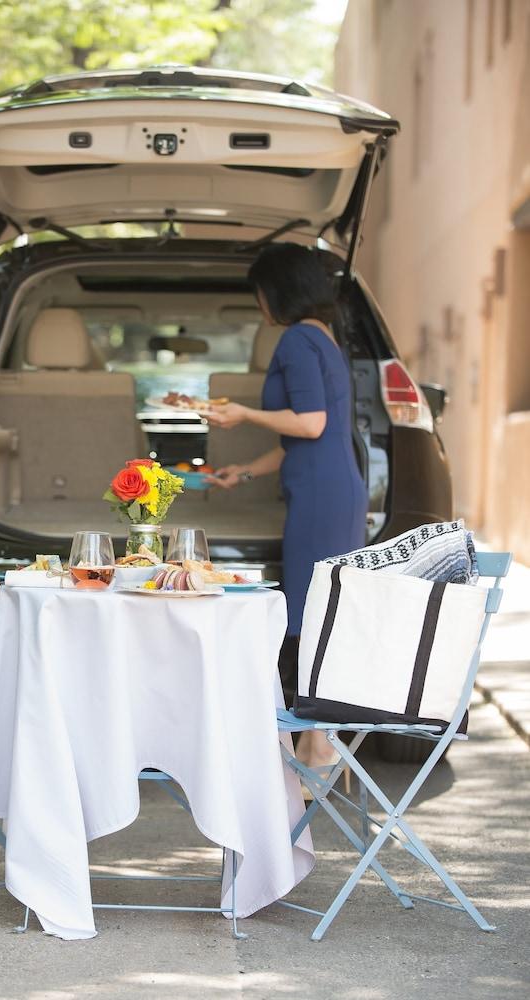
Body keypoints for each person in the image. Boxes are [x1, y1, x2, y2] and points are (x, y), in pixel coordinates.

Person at [206, 243, 367, 771]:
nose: (259, 303)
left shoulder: (297, 339)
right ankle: (319, 741)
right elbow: (305, 437)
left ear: (278, 290)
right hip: (330, 486)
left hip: (321, 497)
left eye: (261, 292)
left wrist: (242, 413)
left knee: (311, 616)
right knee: (320, 614)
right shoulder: (323, 337)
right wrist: (246, 469)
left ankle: (318, 746)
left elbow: (312, 423)